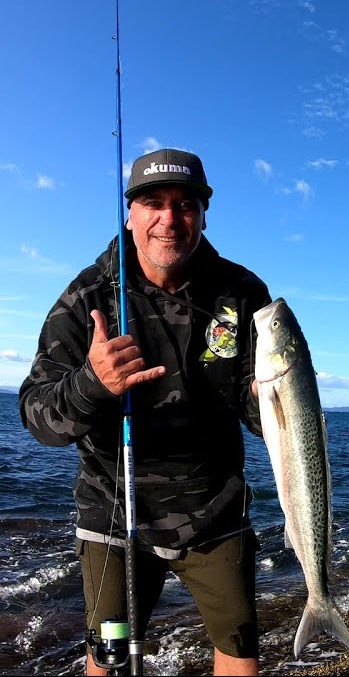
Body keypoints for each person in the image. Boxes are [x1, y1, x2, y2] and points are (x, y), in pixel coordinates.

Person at [19, 148, 272, 675]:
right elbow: (37, 416)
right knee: (108, 659)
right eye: (153, 203)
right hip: (115, 512)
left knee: (240, 647)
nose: (169, 219)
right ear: (130, 213)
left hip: (215, 511)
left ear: (203, 213)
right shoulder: (85, 299)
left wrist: (268, 398)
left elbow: (260, 418)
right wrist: (93, 385)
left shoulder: (243, 293)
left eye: (185, 205)